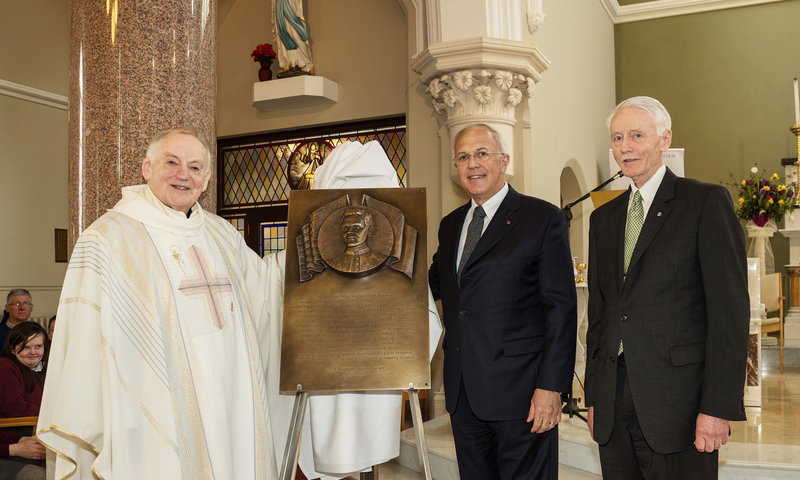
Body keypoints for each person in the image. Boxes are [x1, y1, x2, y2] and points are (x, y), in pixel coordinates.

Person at [37, 128, 290, 480]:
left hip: (229, 401)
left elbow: (267, 293)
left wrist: (304, 253)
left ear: (206, 180)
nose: (183, 174)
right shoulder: (107, 238)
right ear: (146, 168)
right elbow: (84, 340)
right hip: (152, 406)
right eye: (171, 162)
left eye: (195, 167)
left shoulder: (222, 235)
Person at [585, 96, 749, 479]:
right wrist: (595, 397)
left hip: (680, 403)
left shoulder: (704, 202)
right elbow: (600, 315)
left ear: (664, 138)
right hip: (614, 399)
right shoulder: (603, 219)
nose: (625, 147)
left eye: (637, 135)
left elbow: (729, 314)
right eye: (617, 137)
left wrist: (718, 406)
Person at [428, 124, 577, 479]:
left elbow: (561, 309)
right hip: (464, 392)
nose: (472, 164)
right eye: (463, 157)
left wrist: (551, 386)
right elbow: (436, 280)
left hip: (522, 393)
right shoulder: (450, 225)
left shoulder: (541, 219)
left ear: (504, 161)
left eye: (482, 154)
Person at [0, 322, 48, 419]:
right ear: (12, 349)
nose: (33, 352)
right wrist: (50, 415)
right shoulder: (6, 367)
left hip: (39, 423)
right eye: (26, 347)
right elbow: (14, 408)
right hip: (15, 428)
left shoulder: (44, 368)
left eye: (38, 346)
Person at [325, 208, 386, 274]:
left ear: (369, 231)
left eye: (356, 227)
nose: (349, 232)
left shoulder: (381, 260)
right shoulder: (332, 263)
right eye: (345, 228)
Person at [273, 0, 314, 76]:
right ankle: (288, 63)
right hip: (280, 4)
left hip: (291, 4)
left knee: (296, 34)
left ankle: (305, 63)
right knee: (283, 33)